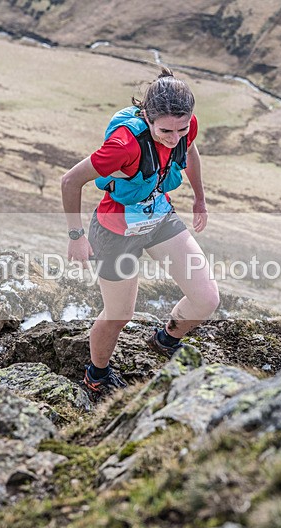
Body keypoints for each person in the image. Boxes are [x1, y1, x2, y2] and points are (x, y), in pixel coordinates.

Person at [60, 67, 220, 399]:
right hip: (115, 231)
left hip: (158, 218)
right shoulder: (123, 145)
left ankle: (165, 339)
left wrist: (200, 199)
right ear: (146, 115)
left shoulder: (182, 127)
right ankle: (96, 376)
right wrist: (76, 236)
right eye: (165, 130)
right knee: (119, 314)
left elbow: (188, 150)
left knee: (206, 298)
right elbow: (70, 181)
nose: (174, 137)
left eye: (181, 128)